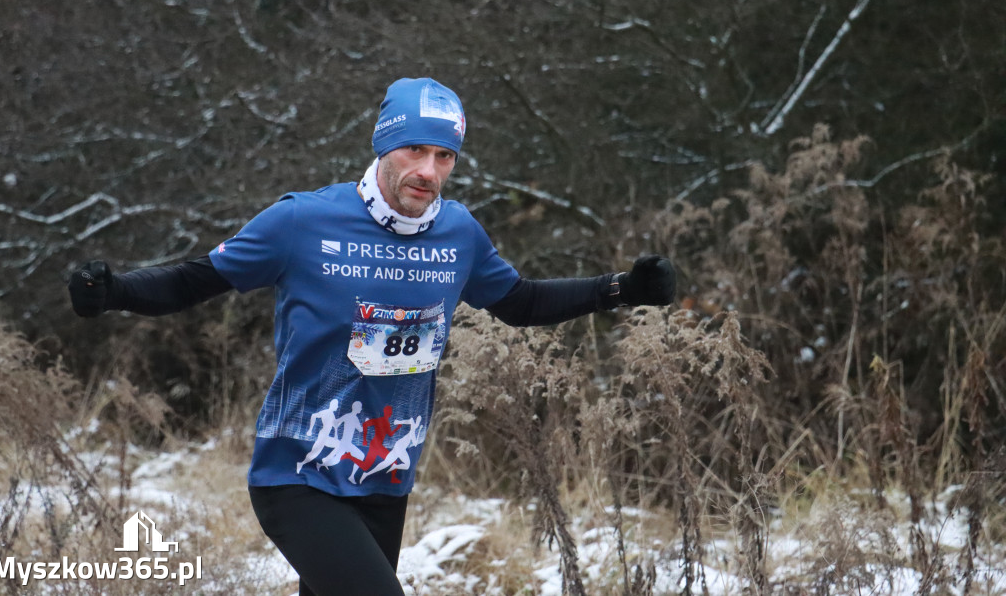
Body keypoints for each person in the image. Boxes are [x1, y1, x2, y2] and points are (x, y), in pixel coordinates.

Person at [69, 77, 676, 595]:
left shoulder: (459, 233)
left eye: (445, 157)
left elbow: (519, 301)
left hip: (386, 472)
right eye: (415, 149)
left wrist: (620, 288)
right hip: (299, 472)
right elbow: (192, 282)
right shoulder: (304, 221)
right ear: (384, 146)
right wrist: (114, 291)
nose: (428, 172)